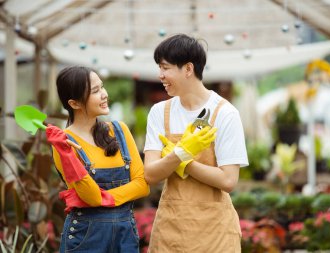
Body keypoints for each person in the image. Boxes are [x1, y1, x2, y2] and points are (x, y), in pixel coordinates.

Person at [144, 34, 249, 252]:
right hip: (171, 229)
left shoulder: (224, 113)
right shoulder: (159, 113)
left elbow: (228, 180)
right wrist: (181, 154)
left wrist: (182, 160)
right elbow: (151, 175)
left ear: (188, 69)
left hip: (215, 233)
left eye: (165, 68)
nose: (160, 75)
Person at [45, 66, 149, 253]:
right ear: (74, 103)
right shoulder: (64, 143)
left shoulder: (120, 131)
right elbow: (91, 197)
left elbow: (142, 184)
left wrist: (106, 197)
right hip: (85, 237)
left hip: (125, 236)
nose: (104, 94)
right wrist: (67, 154)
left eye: (102, 87)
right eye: (95, 91)